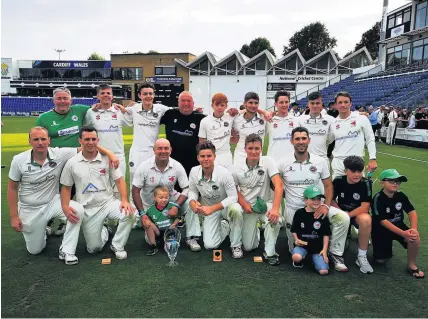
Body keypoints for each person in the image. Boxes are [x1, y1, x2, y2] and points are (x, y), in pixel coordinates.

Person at [7, 126, 117, 260]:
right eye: (36, 139)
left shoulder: (58, 154)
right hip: (30, 209)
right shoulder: (18, 160)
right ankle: (42, 231)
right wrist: (14, 216)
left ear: (49, 141)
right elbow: (12, 188)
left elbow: (88, 146)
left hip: (53, 202)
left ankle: (67, 251)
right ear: (29, 141)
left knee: (77, 210)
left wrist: (110, 154)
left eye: (43, 139)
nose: (40, 142)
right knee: (35, 250)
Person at [277, 127, 350, 272]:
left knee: (343, 218)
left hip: (318, 206)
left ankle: (335, 254)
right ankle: (310, 251)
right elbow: (276, 186)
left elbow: (328, 186)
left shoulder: (320, 161)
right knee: (295, 252)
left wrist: (326, 206)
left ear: (309, 140)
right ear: (291, 141)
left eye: (304, 138)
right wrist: (288, 197)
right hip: (294, 210)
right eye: (297, 139)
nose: (301, 142)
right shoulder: (283, 163)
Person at [59, 126, 134, 263]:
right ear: (80, 141)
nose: (90, 142)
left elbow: (120, 180)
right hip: (88, 208)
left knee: (129, 213)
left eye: (93, 139)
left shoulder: (107, 159)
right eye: (87, 139)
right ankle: (104, 230)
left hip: (108, 203)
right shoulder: (72, 163)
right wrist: (65, 206)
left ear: (98, 140)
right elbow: (66, 188)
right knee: (94, 248)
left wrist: (124, 200)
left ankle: (117, 245)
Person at [131, 138, 197, 250]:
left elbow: (186, 188)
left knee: (191, 203)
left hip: (170, 201)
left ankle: (192, 238)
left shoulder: (177, 166)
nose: (163, 151)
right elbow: (135, 191)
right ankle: (155, 228)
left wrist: (176, 205)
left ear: (170, 150)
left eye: (166, 148)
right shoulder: (144, 167)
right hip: (149, 205)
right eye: (159, 148)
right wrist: (143, 214)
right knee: (152, 239)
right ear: (154, 150)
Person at [230, 134, 283, 265]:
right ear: (245, 149)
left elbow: (279, 185)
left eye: (257, 148)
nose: (254, 152)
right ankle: (255, 232)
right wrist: (244, 204)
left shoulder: (268, 161)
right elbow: (233, 190)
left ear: (261, 149)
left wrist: (275, 209)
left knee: (275, 220)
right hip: (248, 208)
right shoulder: (236, 167)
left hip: (265, 204)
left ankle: (270, 252)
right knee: (249, 247)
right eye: (250, 148)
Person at [188, 141, 241, 257]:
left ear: (214, 157)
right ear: (198, 158)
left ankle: (236, 245)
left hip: (226, 207)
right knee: (210, 246)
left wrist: (213, 208)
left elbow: (233, 197)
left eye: (209, 156)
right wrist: (192, 201)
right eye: (202, 156)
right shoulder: (193, 171)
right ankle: (225, 226)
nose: (206, 159)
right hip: (209, 210)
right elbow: (192, 190)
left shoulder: (225, 173)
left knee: (237, 209)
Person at [371, 169, 424, 279]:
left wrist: (413, 229)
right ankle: (384, 251)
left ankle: (411, 265)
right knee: (380, 261)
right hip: (381, 230)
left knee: (415, 237)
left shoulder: (401, 196)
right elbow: (382, 221)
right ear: (382, 183)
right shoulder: (378, 198)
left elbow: (411, 211)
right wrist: (403, 233)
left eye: (397, 181)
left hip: (399, 226)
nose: (395, 183)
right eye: (391, 181)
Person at [123, 82, 170, 196]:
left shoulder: (161, 109)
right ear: (140, 96)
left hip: (153, 152)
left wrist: (194, 109)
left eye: (150, 93)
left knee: (153, 181)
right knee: (135, 182)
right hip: (137, 152)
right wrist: (97, 106)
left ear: (154, 95)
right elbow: (117, 109)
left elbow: (178, 111)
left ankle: (152, 208)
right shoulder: (134, 108)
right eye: (145, 94)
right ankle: (135, 210)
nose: (148, 96)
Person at [332, 156, 374, 274]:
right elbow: (331, 199)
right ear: (346, 171)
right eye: (353, 171)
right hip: (341, 212)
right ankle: (332, 250)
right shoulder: (338, 180)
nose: (357, 174)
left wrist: (348, 215)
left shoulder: (366, 183)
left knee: (366, 219)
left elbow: (365, 207)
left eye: (359, 171)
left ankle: (361, 257)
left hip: (356, 214)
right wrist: (340, 212)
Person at [84, 84, 129, 188]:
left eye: (108, 93)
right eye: (102, 93)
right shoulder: (91, 112)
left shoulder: (119, 111)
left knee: (118, 188)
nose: (106, 95)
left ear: (112, 96)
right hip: (98, 155)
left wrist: (127, 107)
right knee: (99, 188)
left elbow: (133, 116)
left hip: (118, 155)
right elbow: (86, 131)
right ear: (98, 96)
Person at [330, 92, 377, 180]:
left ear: (350, 103)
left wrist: (373, 158)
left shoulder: (361, 118)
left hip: (357, 163)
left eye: (346, 102)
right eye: (340, 102)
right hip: (338, 163)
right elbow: (327, 141)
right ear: (336, 105)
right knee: (337, 193)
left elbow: (370, 138)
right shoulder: (333, 123)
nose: (343, 105)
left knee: (358, 192)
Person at [160, 91, 206, 175]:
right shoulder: (169, 114)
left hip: (193, 164)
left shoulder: (201, 119)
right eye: (183, 100)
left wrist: (232, 114)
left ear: (193, 103)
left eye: (188, 101)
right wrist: (137, 106)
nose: (186, 103)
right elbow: (150, 115)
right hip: (171, 163)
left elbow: (217, 118)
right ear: (178, 102)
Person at [291, 185, 330, 275]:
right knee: (296, 257)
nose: (316, 201)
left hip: (317, 248)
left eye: (319, 199)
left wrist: (324, 250)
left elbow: (326, 234)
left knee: (324, 271)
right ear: (305, 200)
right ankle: (299, 261)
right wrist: (296, 240)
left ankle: (316, 260)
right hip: (302, 246)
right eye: (313, 199)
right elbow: (294, 230)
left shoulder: (322, 215)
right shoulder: (299, 213)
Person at [294, 91, 336, 165]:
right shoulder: (300, 120)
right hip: (304, 161)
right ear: (308, 105)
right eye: (312, 103)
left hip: (322, 160)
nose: (315, 106)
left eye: (317, 103)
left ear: (321, 105)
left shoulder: (330, 120)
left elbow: (330, 139)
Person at [141, 186, 180, 256]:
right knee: (148, 223)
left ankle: (168, 242)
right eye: (161, 198)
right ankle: (153, 245)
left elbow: (178, 218)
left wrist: (174, 224)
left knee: (169, 250)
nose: (164, 200)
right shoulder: (150, 210)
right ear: (155, 197)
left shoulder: (172, 207)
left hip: (169, 232)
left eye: (166, 197)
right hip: (157, 232)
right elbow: (144, 223)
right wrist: (146, 223)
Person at [232, 92, 266, 166]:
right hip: (240, 156)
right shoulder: (236, 120)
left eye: (256, 103)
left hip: (257, 155)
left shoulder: (264, 118)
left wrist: (264, 112)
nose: (253, 105)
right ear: (245, 104)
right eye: (250, 103)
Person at [266, 90, 295, 161]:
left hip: (291, 161)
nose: (284, 105)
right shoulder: (269, 120)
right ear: (275, 104)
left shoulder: (296, 120)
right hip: (273, 161)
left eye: (286, 102)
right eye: (281, 102)